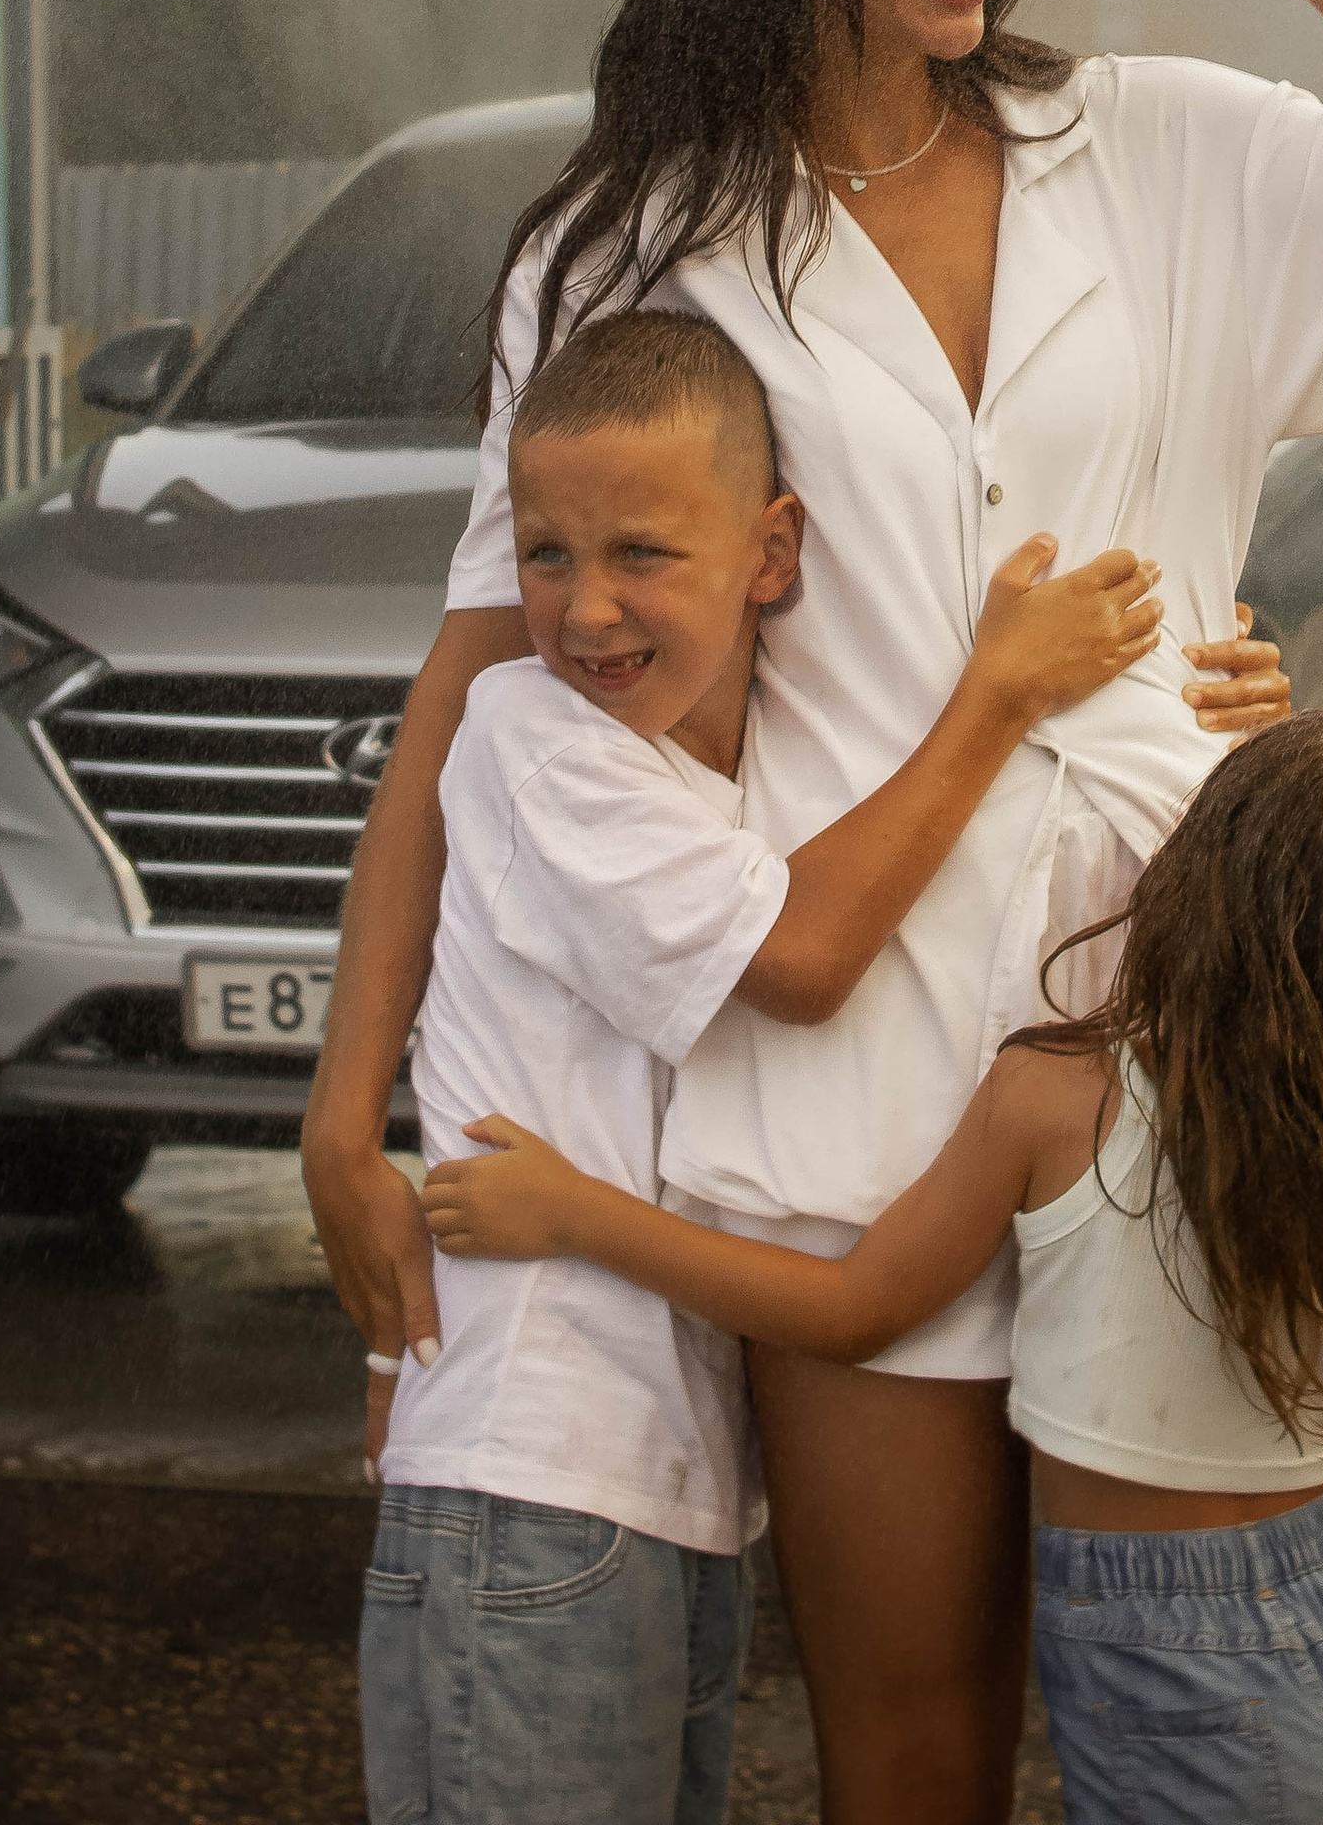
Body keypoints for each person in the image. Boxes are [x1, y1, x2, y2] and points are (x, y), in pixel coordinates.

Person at [309, 0, 1323, 1823]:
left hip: (1174, 1072)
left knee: (1205, 1702)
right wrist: (350, 1113)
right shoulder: (631, 245)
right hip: (848, 1101)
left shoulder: (1155, 148)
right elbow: (477, 680)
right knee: (910, 1758)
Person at [421, 712, 1323, 1825]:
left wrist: (577, 1213)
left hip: (1170, 1662)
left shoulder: (1057, 1096)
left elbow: (850, 1309)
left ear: (1194, 875)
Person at [365, 303, 1170, 1825]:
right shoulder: (538, 736)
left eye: (640, 554)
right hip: (542, 1465)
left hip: (652, 1479)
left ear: (774, 555)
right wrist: (998, 690)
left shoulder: (715, 773)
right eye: (545, 554)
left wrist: (1179, 693)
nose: (585, 607)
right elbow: (802, 961)